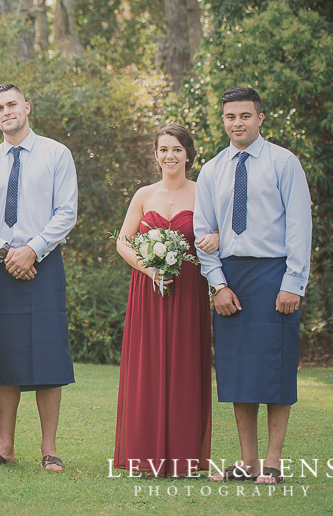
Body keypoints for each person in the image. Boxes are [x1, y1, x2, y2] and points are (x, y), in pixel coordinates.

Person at [195, 86, 312, 485]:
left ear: (260, 118)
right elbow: (202, 231)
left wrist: (293, 282)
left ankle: (273, 459)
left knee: (275, 369)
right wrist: (217, 284)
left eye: (245, 115)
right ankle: (247, 461)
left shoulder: (284, 163)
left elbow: (299, 226)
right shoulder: (212, 170)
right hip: (232, 277)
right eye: (230, 116)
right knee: (238, 371)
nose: (237, 123)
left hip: (273, 275)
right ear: (223, 120)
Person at [0, 83, 77, 471]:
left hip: (44, 263)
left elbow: (66, 212)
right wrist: (5, 251)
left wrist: (33, 249)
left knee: (48, 352)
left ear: (27, 106)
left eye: (12, 104)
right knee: (6, 354)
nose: (6, 111)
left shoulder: (56, 154)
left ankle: (50, 449)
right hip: (3, 265)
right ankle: (5, 447)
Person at [113, 125, 219, 477]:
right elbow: (123, 242)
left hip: (188, 290)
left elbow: (218, 233)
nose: (169, 156)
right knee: (147, 367)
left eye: (177, 149)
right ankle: (144, 453)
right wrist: (149, 269)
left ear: (189, 154)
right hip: (149, 289)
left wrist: (215, 239)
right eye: (163, 150)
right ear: (155, 155)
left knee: (185, 366)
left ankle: (183, 456)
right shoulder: (144, 194)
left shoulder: (203, 192)